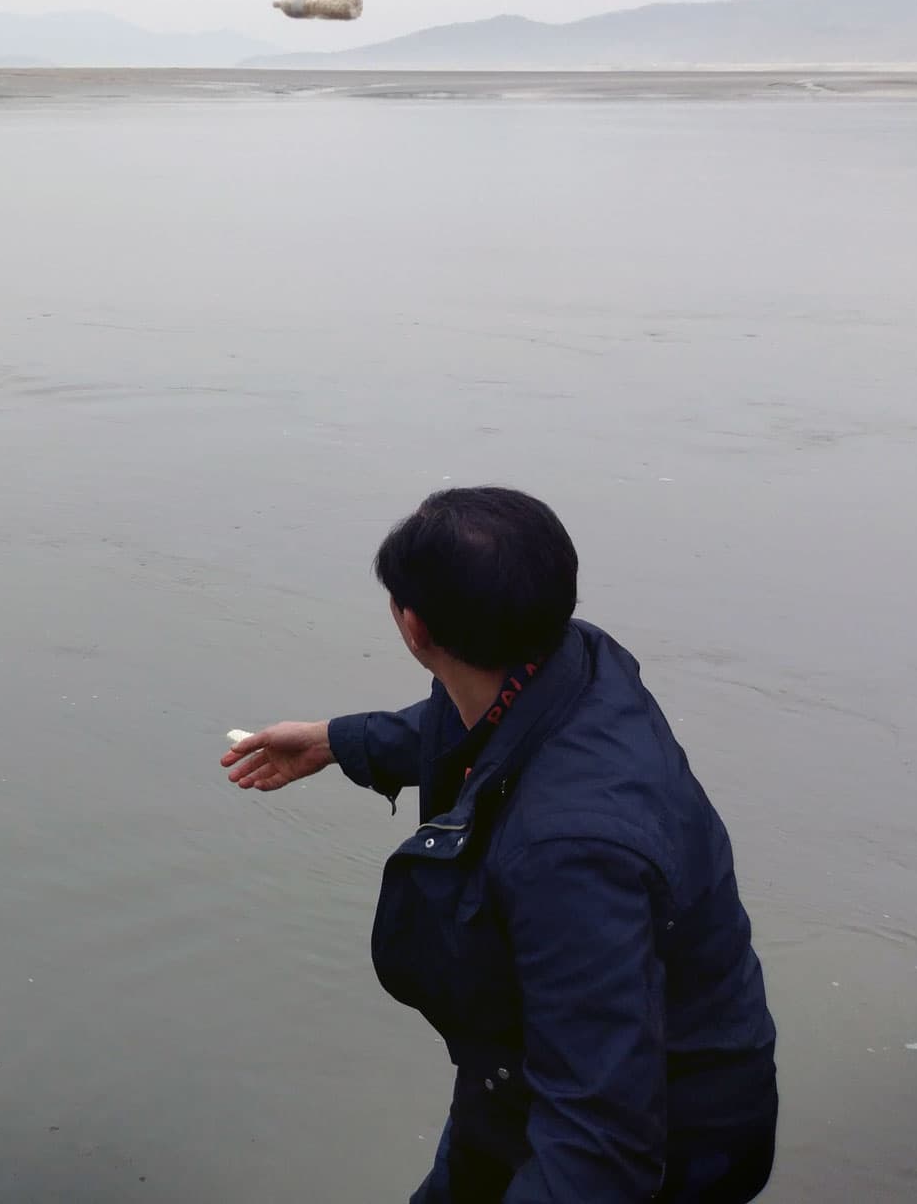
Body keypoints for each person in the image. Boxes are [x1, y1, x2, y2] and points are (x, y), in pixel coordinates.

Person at [224, 487, 777, 1202]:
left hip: (668, 1140)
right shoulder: (574, 658)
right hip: (520, 1079)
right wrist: (340, 741)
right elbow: (479, 727)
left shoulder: (569, 855)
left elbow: (601, 1140)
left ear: (413, 627)